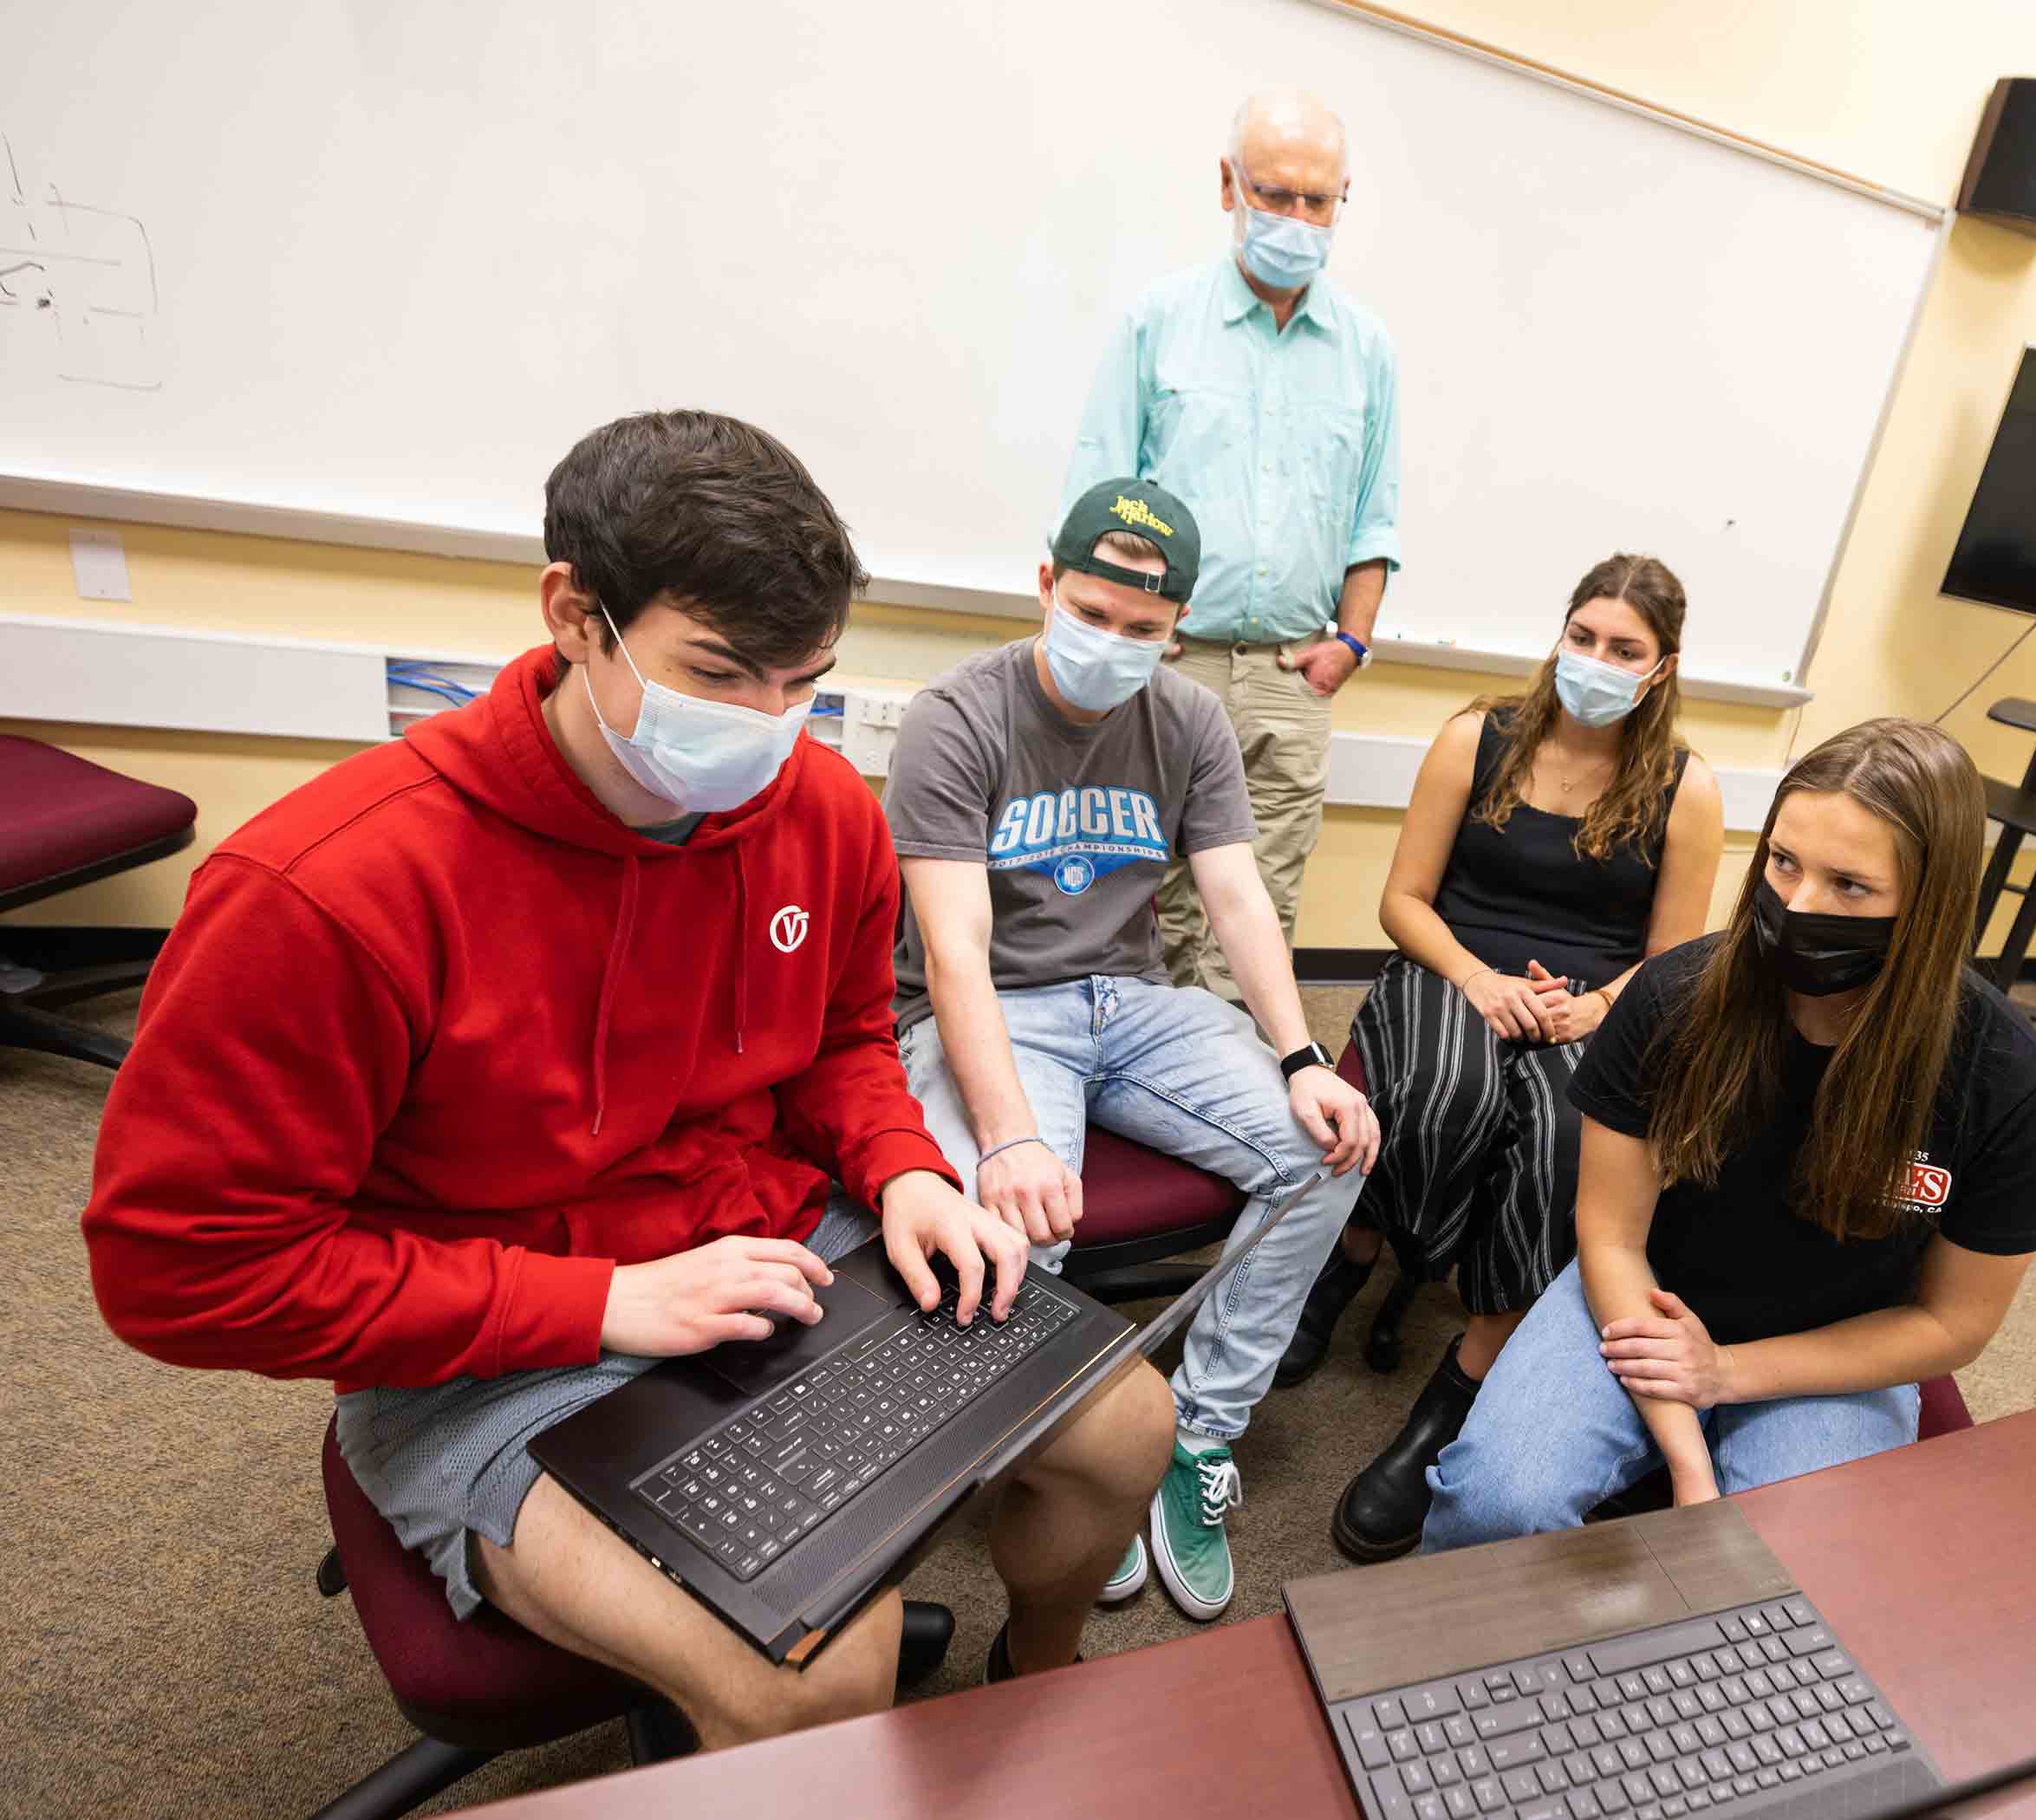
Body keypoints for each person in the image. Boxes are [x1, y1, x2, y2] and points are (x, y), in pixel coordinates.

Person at [80, 413, 1176, 1744]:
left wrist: (904, 1170)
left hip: (768, 1241)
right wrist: (597, 1302)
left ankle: (1034, 1698)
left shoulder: (818, 812)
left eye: (804, 682)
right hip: (483, 1347)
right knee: (824, 1666)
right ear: (574, 616)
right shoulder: (325, 892)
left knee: (1127, 1428)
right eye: (719, 673)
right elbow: (180, 1271)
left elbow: (841, 1041)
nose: (768, 726)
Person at [887, 476, 1379, 1622]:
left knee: (1333, 1150)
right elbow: (952, 951)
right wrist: (1007, 1136)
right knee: (1010, 1224)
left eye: (1144, 631)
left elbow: (1238, 901)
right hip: (996, 1002)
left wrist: (1306, 1058)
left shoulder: (1190, 719)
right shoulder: (957, 714)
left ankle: (1191, 1445)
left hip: (1129, 1001)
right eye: (1094, 613)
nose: (1113, 643)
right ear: (1048, 586)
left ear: (1177, 633)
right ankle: (1075, 1475)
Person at [1420, 718, 2036, 1547]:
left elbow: (1953, 1325)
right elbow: (1611, 1237)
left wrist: (1726, 1373)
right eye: (1784, 863)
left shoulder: (2007, 1076)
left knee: (1787, 1570)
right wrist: (1688, 1459)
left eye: (1850, 887)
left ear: (1928, 904)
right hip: (1645, 1295)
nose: (1797, 906)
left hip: (1836, 1348)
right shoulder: (1673, 997)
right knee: (1494, 1507)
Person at [1278, 555, 1725, 1562]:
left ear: (1660, 669)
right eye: (1583, 638)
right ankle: (1351, 1260)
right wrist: (1479, 982)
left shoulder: (1685, 788)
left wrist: (1594, 1010)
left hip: (1588, 1014)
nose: (1596, 662)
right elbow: (1400, 903)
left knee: (1568, 1148)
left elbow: (1672, 961)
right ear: (1558, 636)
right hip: (1452, 973)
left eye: (1624, 650)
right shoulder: (1473, 738)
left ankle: (1459, 1384)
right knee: (1444, 1096)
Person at [1062, 88, 1401, 1001]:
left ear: (1340, 202)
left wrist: (1350, 644)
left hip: (1295, 676)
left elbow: (1375, 517)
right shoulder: (1159, 323)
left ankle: (1233, 1074)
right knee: (1149, 886)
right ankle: (1138, 1070)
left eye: (1315, 200)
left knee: (1261, 892)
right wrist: (1127, 633)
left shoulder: (1366, 350)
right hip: (1172, 659)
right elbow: (1099, 496)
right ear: (1228, 187)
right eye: (1274, 194)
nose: (1295, 219)